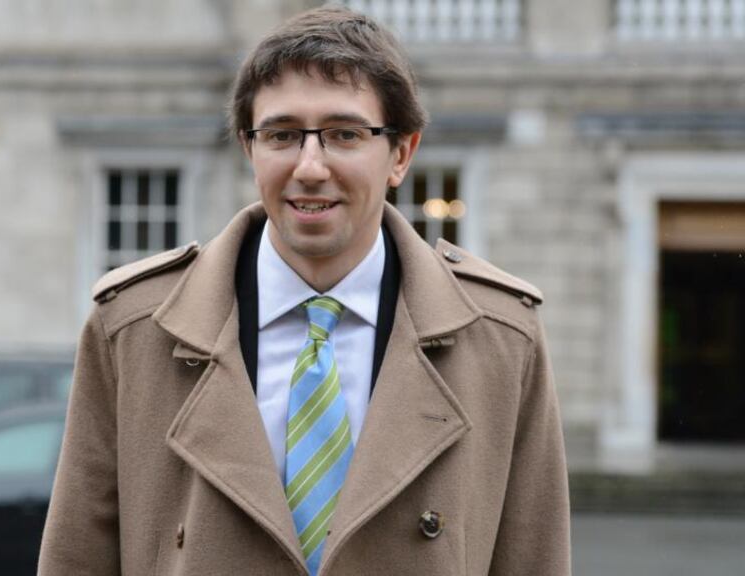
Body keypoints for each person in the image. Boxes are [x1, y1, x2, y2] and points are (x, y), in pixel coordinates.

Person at [38, 6, 570, 576]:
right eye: (282, 135)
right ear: (249, 149)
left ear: (401, 154)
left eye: (345, 134)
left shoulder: (502, 338)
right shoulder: (131, 330)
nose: (310, 167)